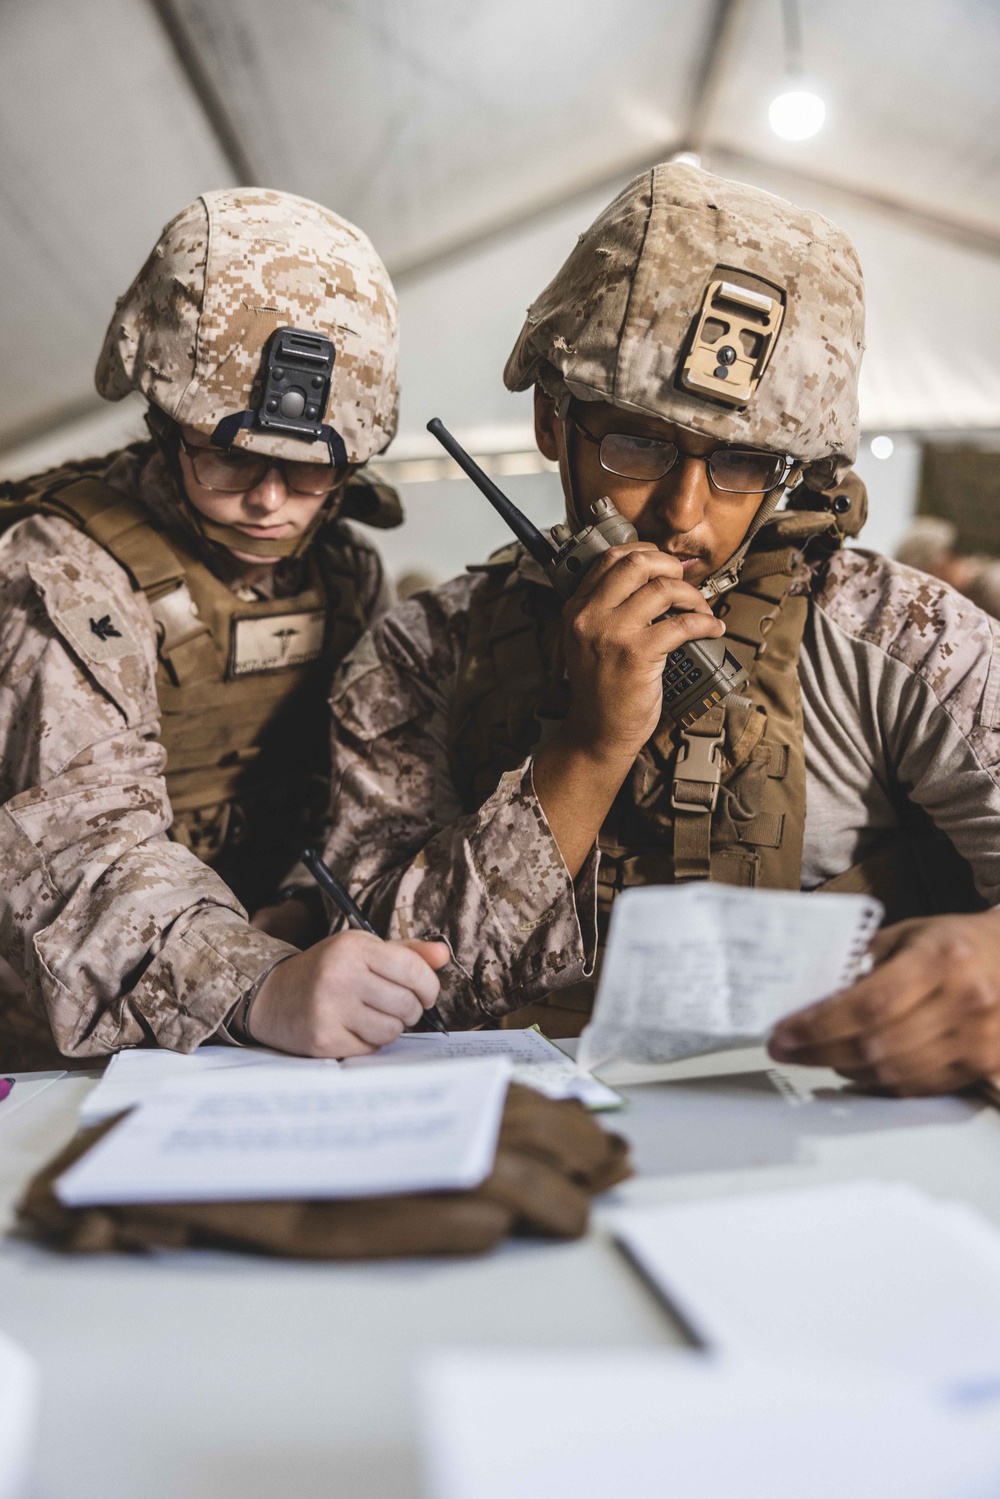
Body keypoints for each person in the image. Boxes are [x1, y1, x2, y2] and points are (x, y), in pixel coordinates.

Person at [322, 163, 1000, 1097]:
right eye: (639, 442)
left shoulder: (899, 635)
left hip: (807, 1133)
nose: (682, 514)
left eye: (745, 463)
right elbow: (376, 979)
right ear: (553, 422)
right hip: (507, 1129)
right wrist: (588, 751)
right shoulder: (423, 652)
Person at [0, 188, 446, 1069]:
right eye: (229, 456)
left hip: (273, 1008)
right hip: (59, 1047)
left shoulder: (342, 569)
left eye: (310, 468)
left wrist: (304, 904)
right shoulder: (64, 570)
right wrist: (258, 981)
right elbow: (80, 850)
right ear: (165, 426)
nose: (269, 500)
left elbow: (369, 789)